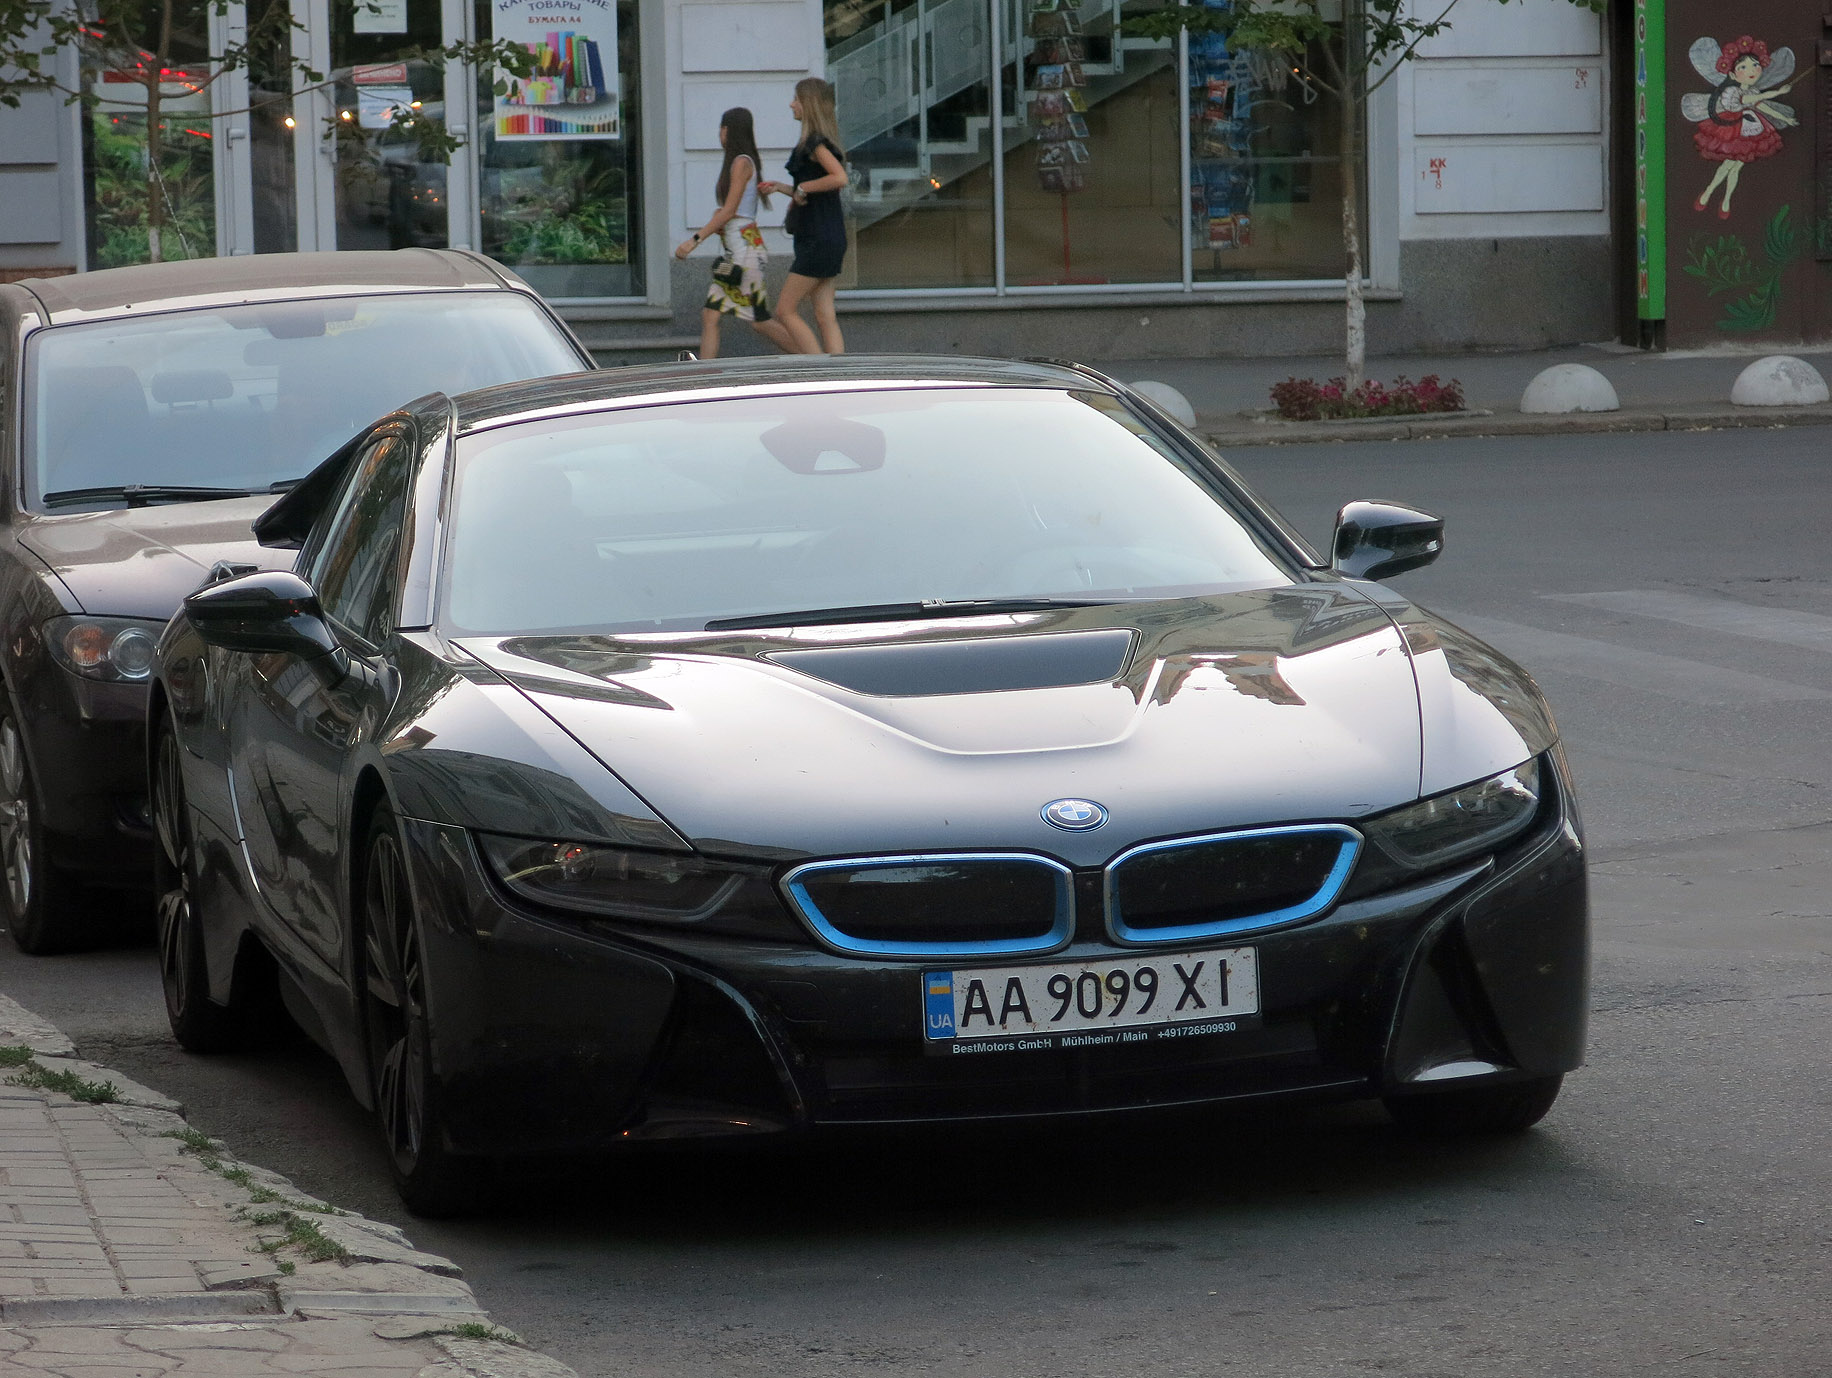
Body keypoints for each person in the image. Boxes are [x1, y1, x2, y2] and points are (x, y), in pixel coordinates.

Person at [675, 107, 795, 357]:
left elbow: (730, 210)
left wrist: (694, 240)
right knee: (714, 315)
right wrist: (719, 220)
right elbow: (732, 210)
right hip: (741, 246)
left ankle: (811, 357)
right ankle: (705, 377)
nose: (719, 134)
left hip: (744, 250)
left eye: (721, 129)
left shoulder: (740, 162)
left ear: (727, 130)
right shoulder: (744, 162)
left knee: (758, 320)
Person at [760, 77, 848, 355]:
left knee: (785, 310)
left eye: (796, 99)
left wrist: (802, 187)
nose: (791, 104)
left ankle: (819, 369)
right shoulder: (818, 143)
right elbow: (814, 189)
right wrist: (780, 188)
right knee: (825, 315)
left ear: (807, 105)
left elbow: (839, 178)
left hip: (817, 238)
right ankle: (839, 375)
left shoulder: (814, 144)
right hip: (829, 235)